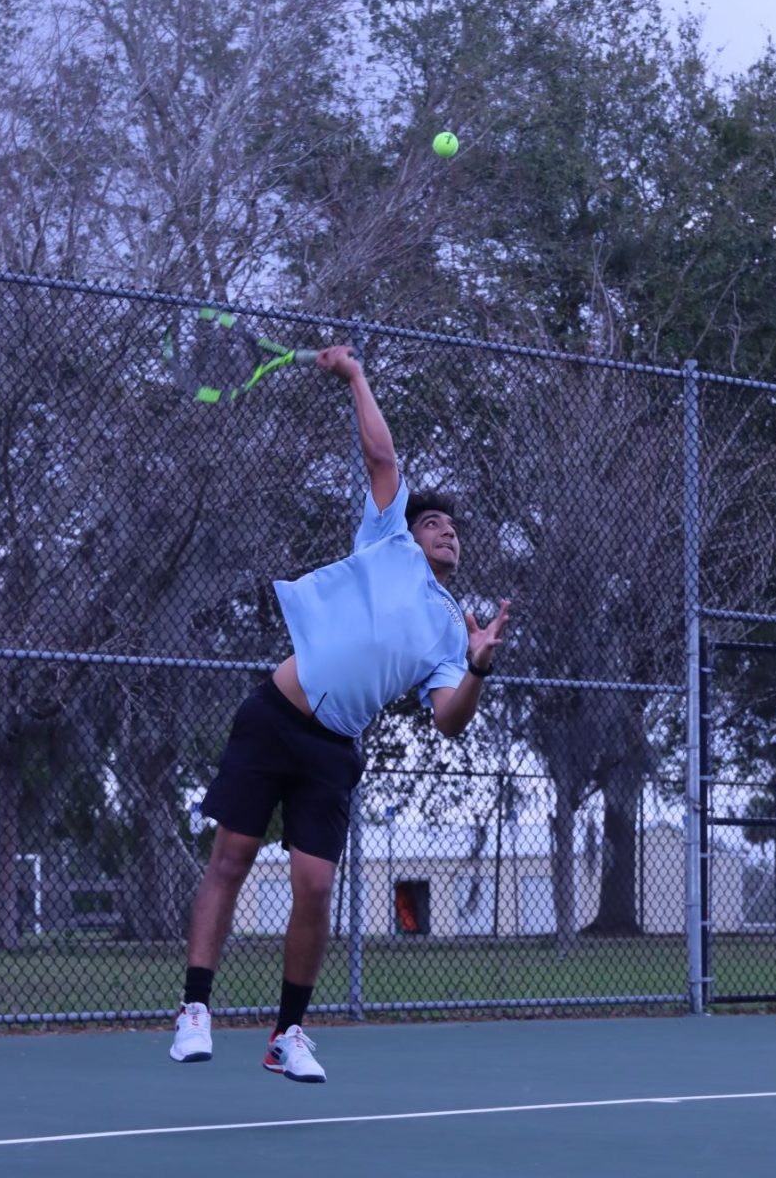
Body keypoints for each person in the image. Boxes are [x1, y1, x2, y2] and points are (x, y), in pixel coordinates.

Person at [169, 345, 510, 1083]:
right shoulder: (385, 540)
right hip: (273, 717)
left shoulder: (451, 626)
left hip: (332, 751)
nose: (447, 530)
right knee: (229, 858)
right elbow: (381, 454)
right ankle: (195, 1010)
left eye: (454, 528)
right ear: (409, 532)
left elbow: (448, 718)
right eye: (435, 523)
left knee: (316, 888)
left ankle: (287, 1033)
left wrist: (479, 665)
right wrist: (355, 376)